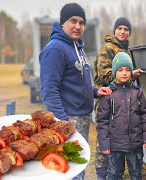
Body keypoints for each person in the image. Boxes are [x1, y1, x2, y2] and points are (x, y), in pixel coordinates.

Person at [39, 3, 111, 179]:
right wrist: (62, 123)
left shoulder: (76, 47)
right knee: (69, 171)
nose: (78, 26)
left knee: (78, 168)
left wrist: (95, 91)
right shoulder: (55, 49)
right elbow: (49, 90)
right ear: (63, 23)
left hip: (81, 119)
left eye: (81, 22)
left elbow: (76, 82)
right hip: (68, 119)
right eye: (73, 21)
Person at [94, 17, 141, 179]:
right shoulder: (107, 49)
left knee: (116, 144)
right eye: (120, 28)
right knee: (103, 142)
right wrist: (130, 75)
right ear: (114, 30)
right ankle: (101, 175)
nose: (123, 31)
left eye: (126, 29)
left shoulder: (125, 51)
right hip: (107, 102)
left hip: (122, 104)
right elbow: (103, 78)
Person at [97, 52, 146, 180]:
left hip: (135, 143)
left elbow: (145, 114)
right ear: (114, 72)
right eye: (120, 70)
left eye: (127, 70)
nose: (124, 73)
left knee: (136, 172)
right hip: (115, 145)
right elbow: (102, 121)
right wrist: (104, 144)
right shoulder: (109, 93)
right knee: (114, 173)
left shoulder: (137, 91)